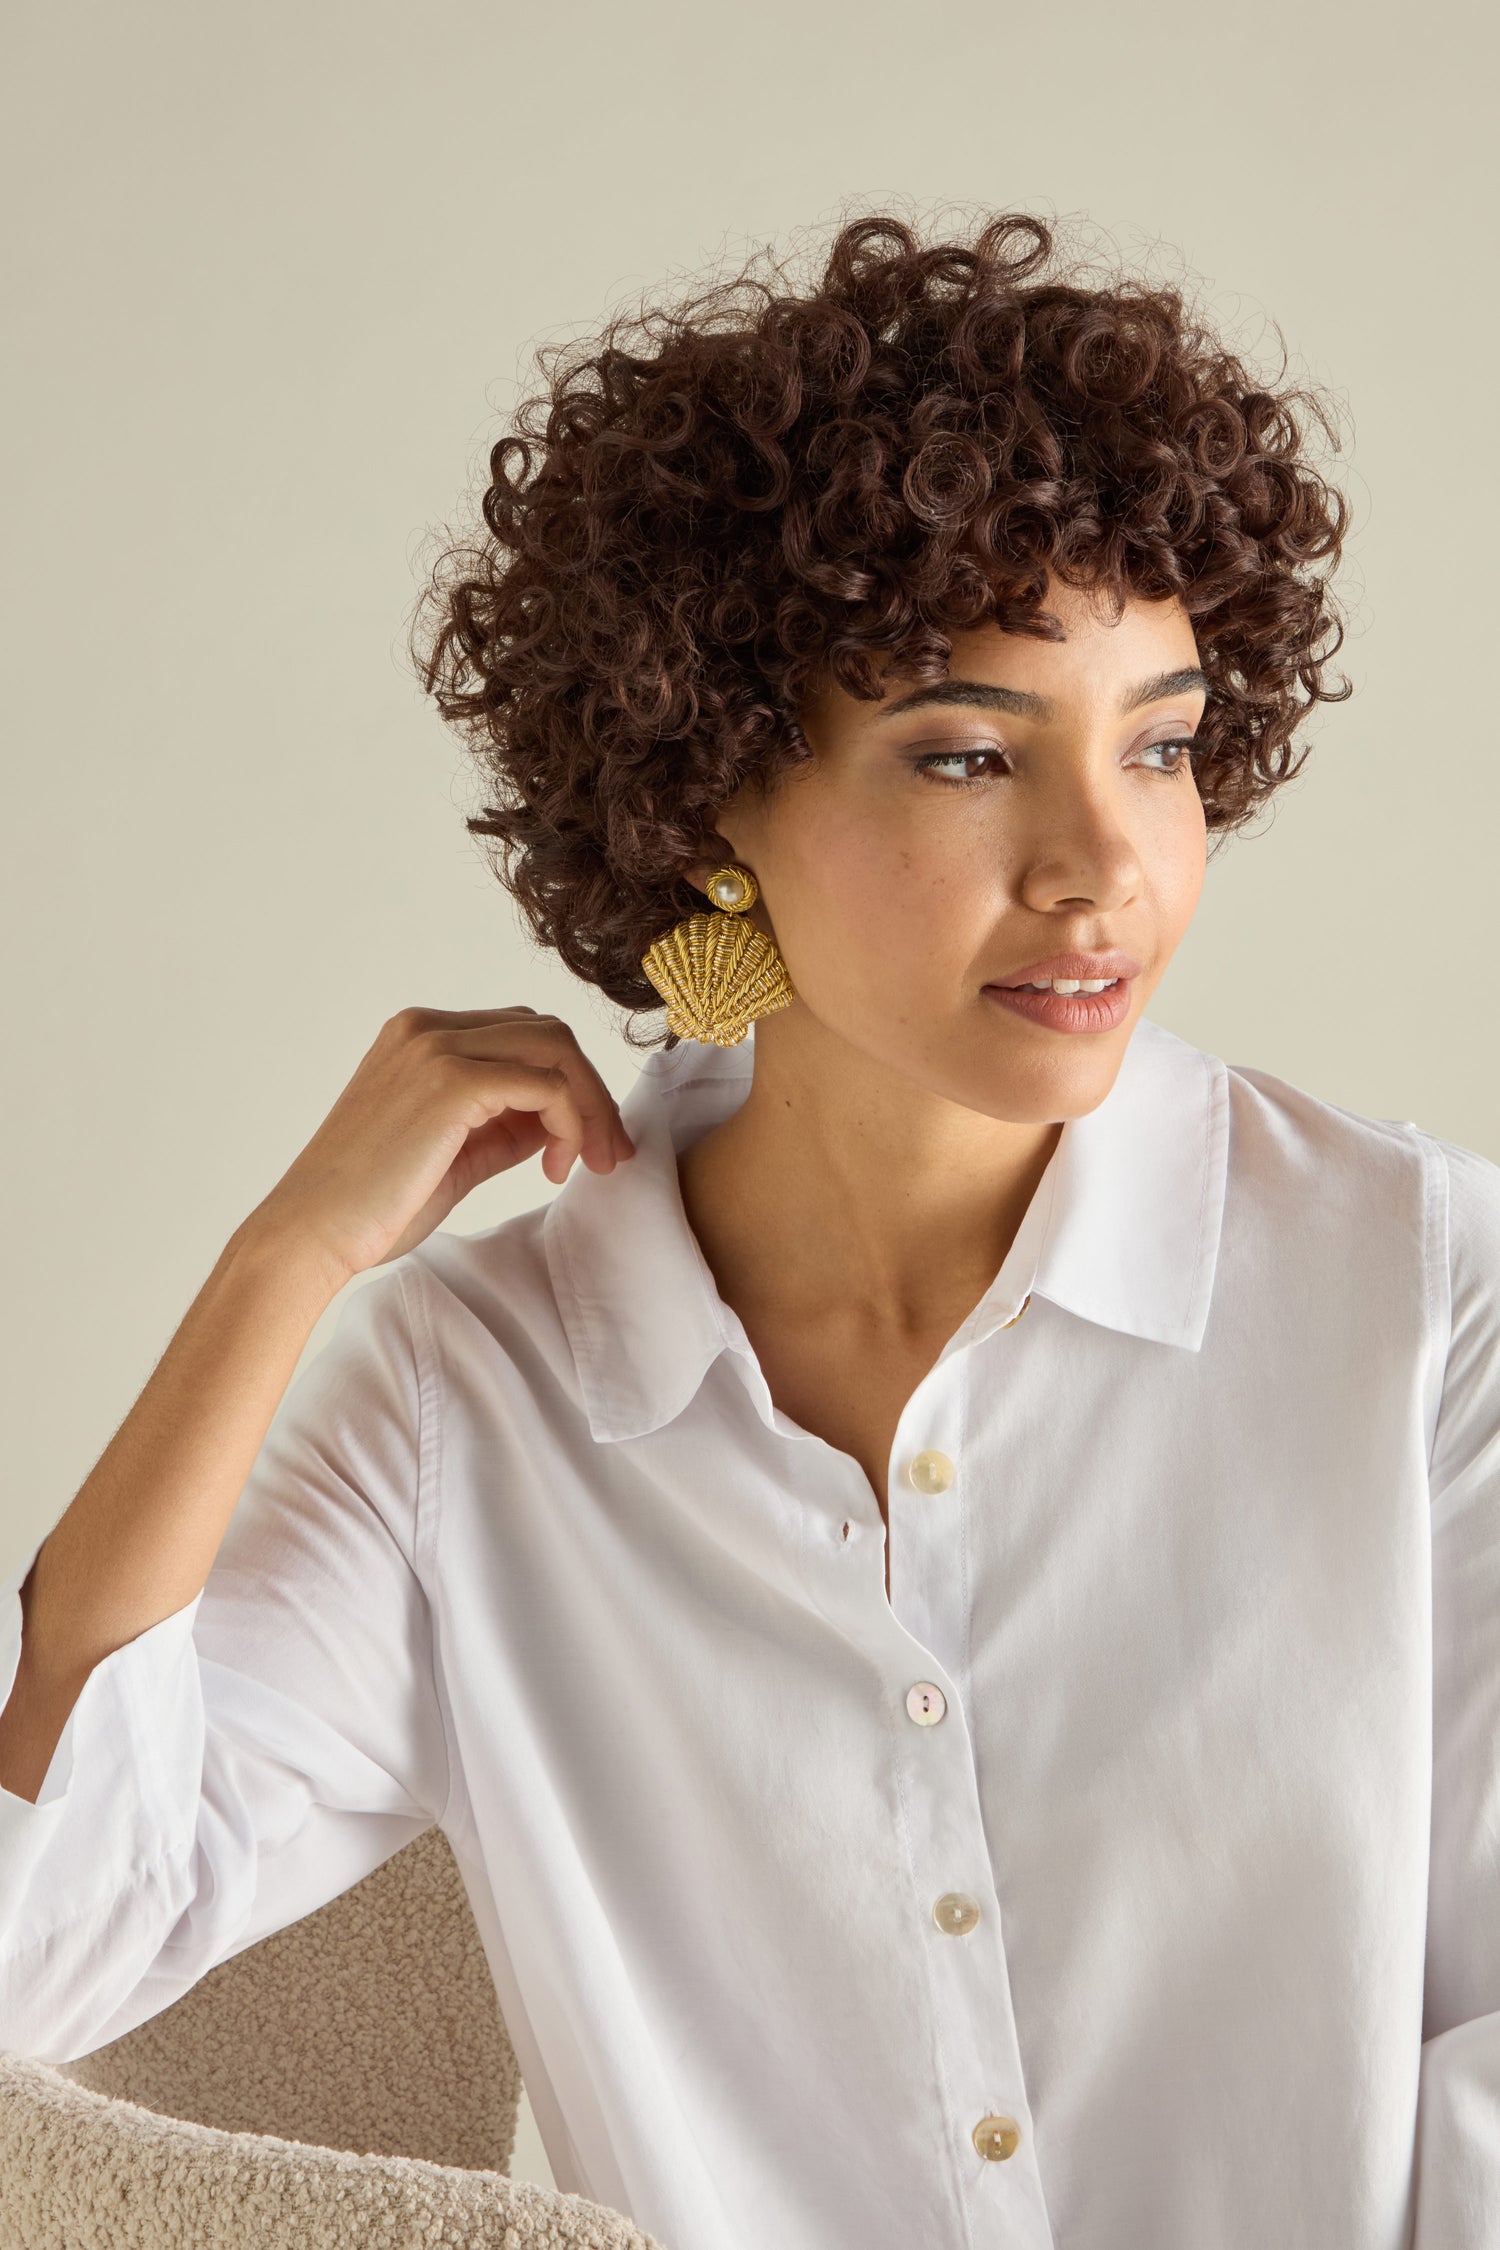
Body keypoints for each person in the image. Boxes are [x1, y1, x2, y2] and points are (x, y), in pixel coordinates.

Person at [0, 210, 1495, 2250]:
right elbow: (43, 1951)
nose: (1105, 868)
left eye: (1160, 745)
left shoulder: (1422, 1295)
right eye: (968, 753)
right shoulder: (477, 1397)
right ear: (709, 794)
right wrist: (279, 1271)